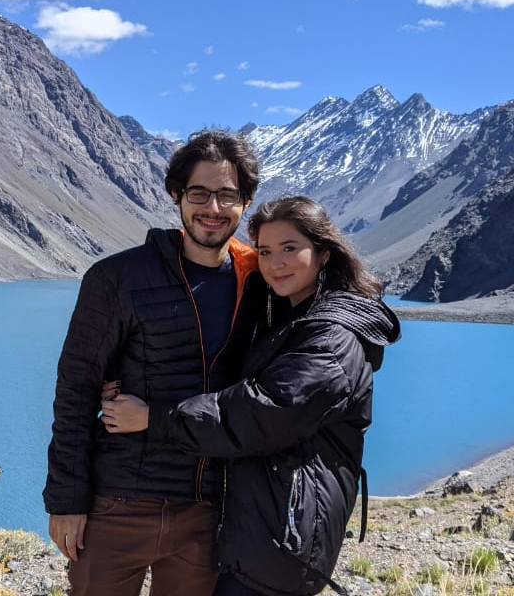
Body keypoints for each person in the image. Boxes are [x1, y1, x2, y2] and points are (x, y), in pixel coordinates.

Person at [101, 196, 401, 596]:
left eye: (290, 249)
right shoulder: (293, 315)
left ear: (325, 253)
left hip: (281, 543)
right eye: (264, 251)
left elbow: (260, 412)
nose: (275, 263)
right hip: (265, 533)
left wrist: (153, 418)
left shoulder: (332, 337)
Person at [43, 129, 264, 595]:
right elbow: (77, 388)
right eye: (199, 193)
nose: (213, 208)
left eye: (227, 195)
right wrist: (67, 499)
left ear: (245, 202)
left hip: (205, 509)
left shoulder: (259, 284)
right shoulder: (117, 278)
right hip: (117, 505)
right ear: (176, 196)